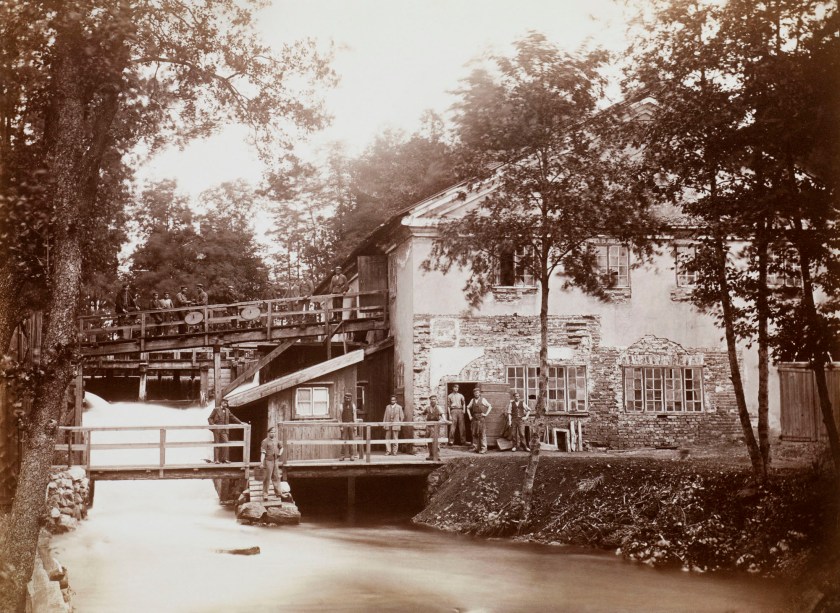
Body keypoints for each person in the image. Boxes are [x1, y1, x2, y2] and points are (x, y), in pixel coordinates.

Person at [260, 427, 284, 499]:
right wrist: (261, 462)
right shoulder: (265, 441)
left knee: (276, 477)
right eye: (271, 432)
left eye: (274, 432)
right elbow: (263, 453)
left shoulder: (277, 441)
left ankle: (279, 493)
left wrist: (280, 453)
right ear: (268, 433)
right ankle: (265, 494)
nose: (272, 433)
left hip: (275, 461)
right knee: (267, 478)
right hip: (268, 461)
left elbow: (282, 447)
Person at [466, 388, 492, 454]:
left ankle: (483, 449)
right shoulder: (472, 400)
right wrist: (470, 416)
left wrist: (485, 414)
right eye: (475, 393)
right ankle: (475, 447)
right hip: (474, 419)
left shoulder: (483, 399)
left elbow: (490, 406)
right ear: (474, 393)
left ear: (479, 393)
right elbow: (467, 408)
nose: (476, 394)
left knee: (482, 433)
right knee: (474, 433)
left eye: (477, 393)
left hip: (481, 418)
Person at [422, 394, 445, 461]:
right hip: (428, 426)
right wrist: (424, 419)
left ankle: (437, 455)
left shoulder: (438, 407)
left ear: (436, 400)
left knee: (435, 440)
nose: (433, 400)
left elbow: (442, 414)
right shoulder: (427, 408)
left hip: (435, 426)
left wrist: (444, 420)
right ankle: (431, 455)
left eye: (434, 399)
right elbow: (423, 413)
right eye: (432, 399)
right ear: (430, 400)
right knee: (429, 440)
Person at [338, 392, 358, 461]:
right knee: (343, 440)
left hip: (351, 424)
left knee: (351, 440)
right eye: (346, 398)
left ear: (351, 398)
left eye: (349, 398)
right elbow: (339, 417)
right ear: (344, 398)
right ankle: (342, 455)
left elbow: (354, 416)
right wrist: (341, 426)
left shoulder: (353, 406)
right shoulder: (341, 406)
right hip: (344, 424)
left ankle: (352, 455)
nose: (348, 399)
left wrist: (355, 426)